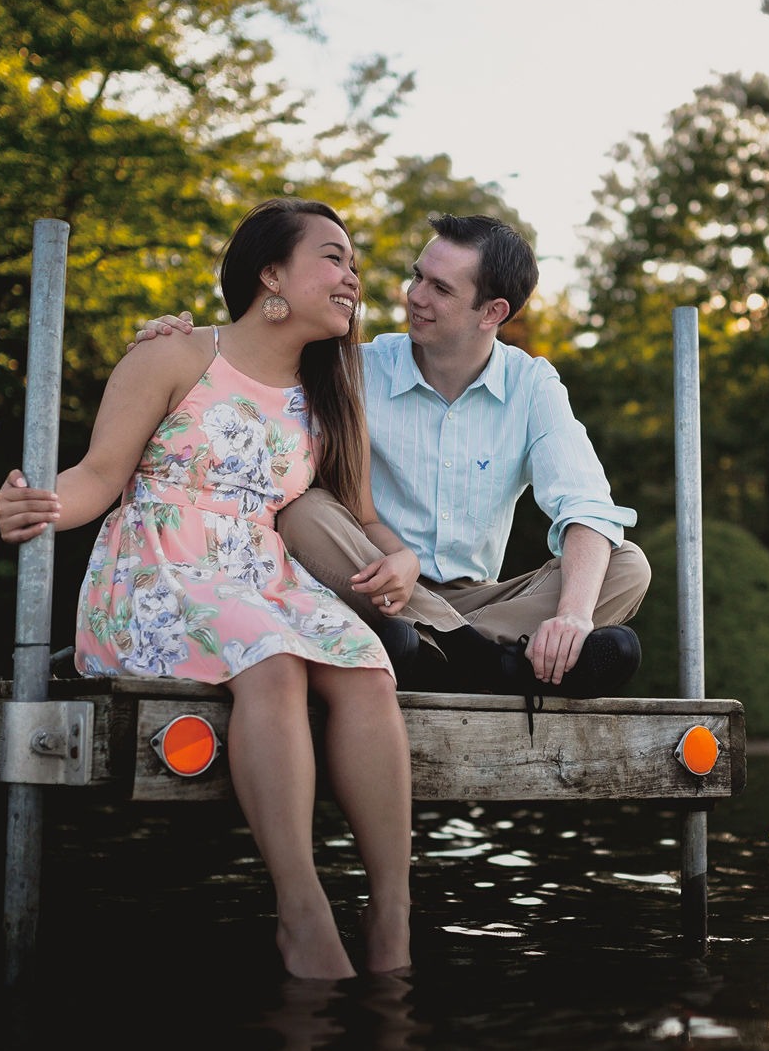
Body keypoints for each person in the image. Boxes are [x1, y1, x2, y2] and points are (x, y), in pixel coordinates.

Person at [0, 198, 412, 981]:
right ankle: (303, 909)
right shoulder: (175, 354)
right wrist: (42, 502)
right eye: (334, 256)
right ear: (271, 274)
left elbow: (365, 516)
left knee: (365, 665)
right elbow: (99, 475)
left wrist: (403, 561)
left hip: (263, 576)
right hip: (159, 570)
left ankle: (392, 914)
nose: (352, 276)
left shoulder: (324, 394)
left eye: (355, 263)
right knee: (275, 658)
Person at [133, 213, 650, 698]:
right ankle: (501, 663)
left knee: (626, 565)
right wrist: (178, 340)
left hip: (476, 600)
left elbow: (586, 506)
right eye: (417, 277)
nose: (414, 297)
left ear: (493, 312)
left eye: (440, 289)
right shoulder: (352, 367)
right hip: (369, 585)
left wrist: (575, 617)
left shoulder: (532, 384)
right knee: (305, 512)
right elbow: (248, 362)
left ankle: (446, 653)